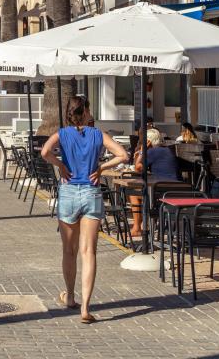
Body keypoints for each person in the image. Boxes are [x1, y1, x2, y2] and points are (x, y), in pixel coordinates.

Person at [42, 97, 128, 324]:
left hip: (69, 191)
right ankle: (86, 308)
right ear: (86, 111)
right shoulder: (98, 135)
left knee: (68, 251)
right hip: (91, 191)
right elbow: (123, 155)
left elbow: (44, 152)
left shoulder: (62, 134)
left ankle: (70, 297)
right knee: (88, 252)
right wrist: (101, 167)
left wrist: (60, 165)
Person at [130, 127, 179, 237]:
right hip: (174, 189)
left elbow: (137, 168)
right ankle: (145, 223)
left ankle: (137, 227)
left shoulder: (153, 151)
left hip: (161, 191)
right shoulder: (166, 150)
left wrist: (142, 151)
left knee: (134, 194)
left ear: (148, 141)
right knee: (143, 192)